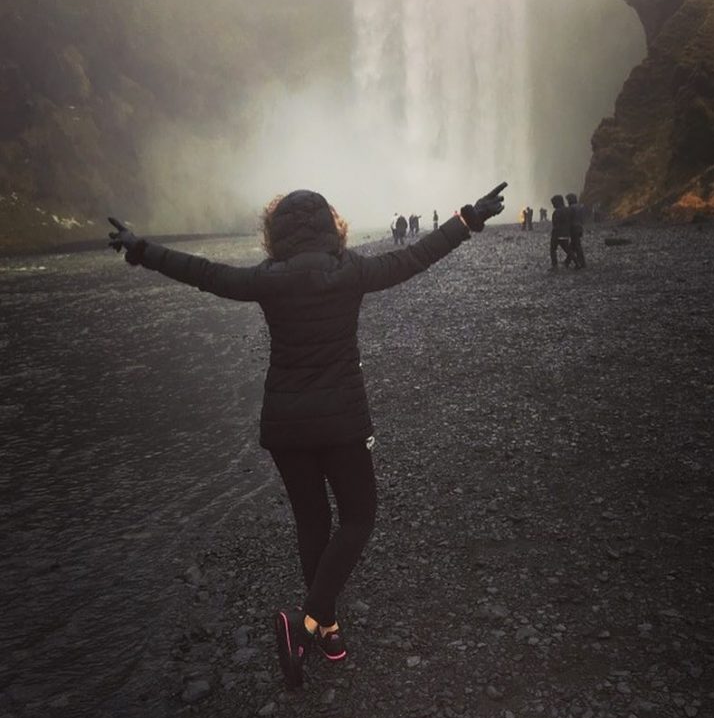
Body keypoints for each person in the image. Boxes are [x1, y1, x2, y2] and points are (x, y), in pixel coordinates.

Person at [107, 182, 507, 690]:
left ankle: (325, 626)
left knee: (312, 522)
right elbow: (415, 257)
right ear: (331, 226)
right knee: (359, 518)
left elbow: (204, 275)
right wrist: (468, 219)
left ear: (275, 234)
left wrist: (141, 250)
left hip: (286, 427)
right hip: (342, 422)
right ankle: (309, 619)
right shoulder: (352, 270)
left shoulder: (267, 280)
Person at [549, 194, 571, 270]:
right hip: (566, 233)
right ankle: (577, 262)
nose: (553, 205)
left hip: (557, 234)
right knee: (567, 249)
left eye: (553, 203)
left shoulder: (556, 212)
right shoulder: (568, 210)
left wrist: (554, 234)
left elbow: (555, 224)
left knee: (553, 249)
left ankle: (554, 265)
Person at [566, 192, 587, 269]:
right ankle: (567, 261)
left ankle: (582, 263)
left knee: (576, 246)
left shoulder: (571, 208)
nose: (567, 202)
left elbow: (569, 219)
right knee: (573, 245)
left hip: (573, 228)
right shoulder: (581, 206)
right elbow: (583, 218)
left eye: (568, 200)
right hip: (580, 227)